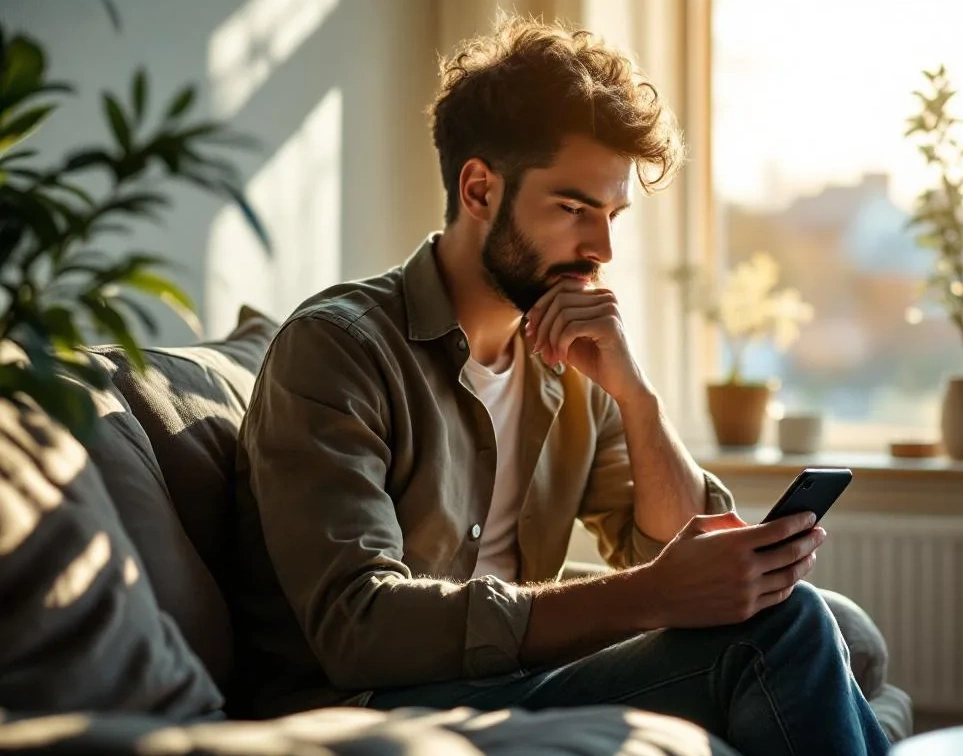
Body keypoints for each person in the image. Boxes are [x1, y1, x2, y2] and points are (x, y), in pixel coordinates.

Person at [230, 14, 889, 756]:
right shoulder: (338, 349)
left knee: (818, 614)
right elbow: (359, 628)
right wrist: (650, 596)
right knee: (786, 630)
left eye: (611, 215)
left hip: (509, 681)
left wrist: (636, 397)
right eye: (575, 209)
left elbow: (671, 550)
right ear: (480, 190)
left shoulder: (566, 360)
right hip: (372, 707)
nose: (601, 248)